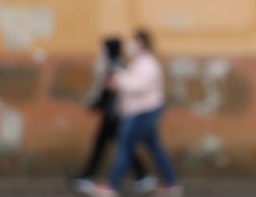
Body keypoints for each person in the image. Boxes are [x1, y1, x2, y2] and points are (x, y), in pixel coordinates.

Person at [91, 29, 182, 197]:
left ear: (142, 43)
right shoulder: (139, 62)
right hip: (141, 111)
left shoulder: (147, 63)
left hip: (142, 112)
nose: (130, 45)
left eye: (134, 41)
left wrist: (118, 79)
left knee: (125, 147)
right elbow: (132, 83)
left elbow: (137, 86)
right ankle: (171, 184)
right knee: (155, 148)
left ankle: (111, 185)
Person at [72, 37, 156, 195]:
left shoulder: (115, 66)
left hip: (114, 116)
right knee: (115, 146)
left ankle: (101, 179)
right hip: (114, 115)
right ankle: (141, 176)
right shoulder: (118, 64)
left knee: (118, 147)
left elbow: (112, 91)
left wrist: (95, 105)